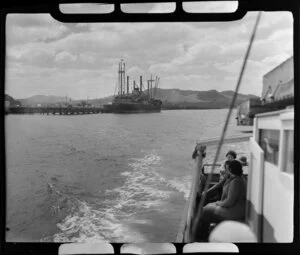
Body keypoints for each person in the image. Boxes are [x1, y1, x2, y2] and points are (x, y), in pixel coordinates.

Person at [193, 160, 247, 241]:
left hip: (234, 212)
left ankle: (202, 237)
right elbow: (221, 184)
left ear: (231, 170)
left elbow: (229, 202)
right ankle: (206, 234)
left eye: (227, 169)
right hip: (236, 208)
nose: (226, 170)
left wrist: (218, 203)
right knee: (207, 207)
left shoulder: (236, 182)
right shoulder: (238, 177)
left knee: (205, 211)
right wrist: (207, 194)